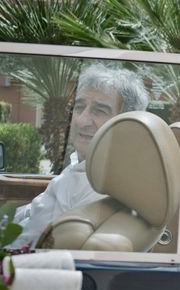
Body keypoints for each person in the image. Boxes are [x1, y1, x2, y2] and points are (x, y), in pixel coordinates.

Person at [11, 63, 149, 249]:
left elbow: (39, 248)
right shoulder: (87, 168)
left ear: (125, 124)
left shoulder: (103, 184)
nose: (81, 120)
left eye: (99, 110)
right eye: (79, 107)